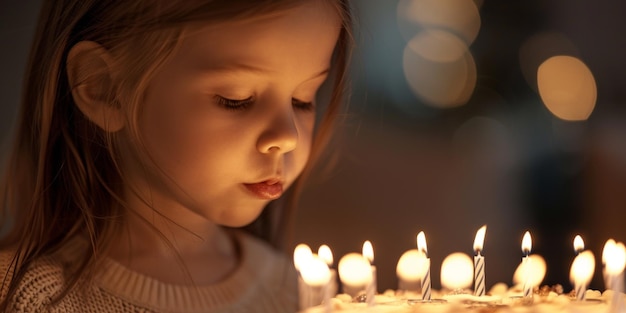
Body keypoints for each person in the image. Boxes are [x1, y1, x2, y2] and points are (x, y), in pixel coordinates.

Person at [0, 0, 353, 311]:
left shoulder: (295, 294)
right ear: (103, 89)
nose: (287, 137)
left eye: (303, 99)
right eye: (236, 99)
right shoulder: (25, 296)